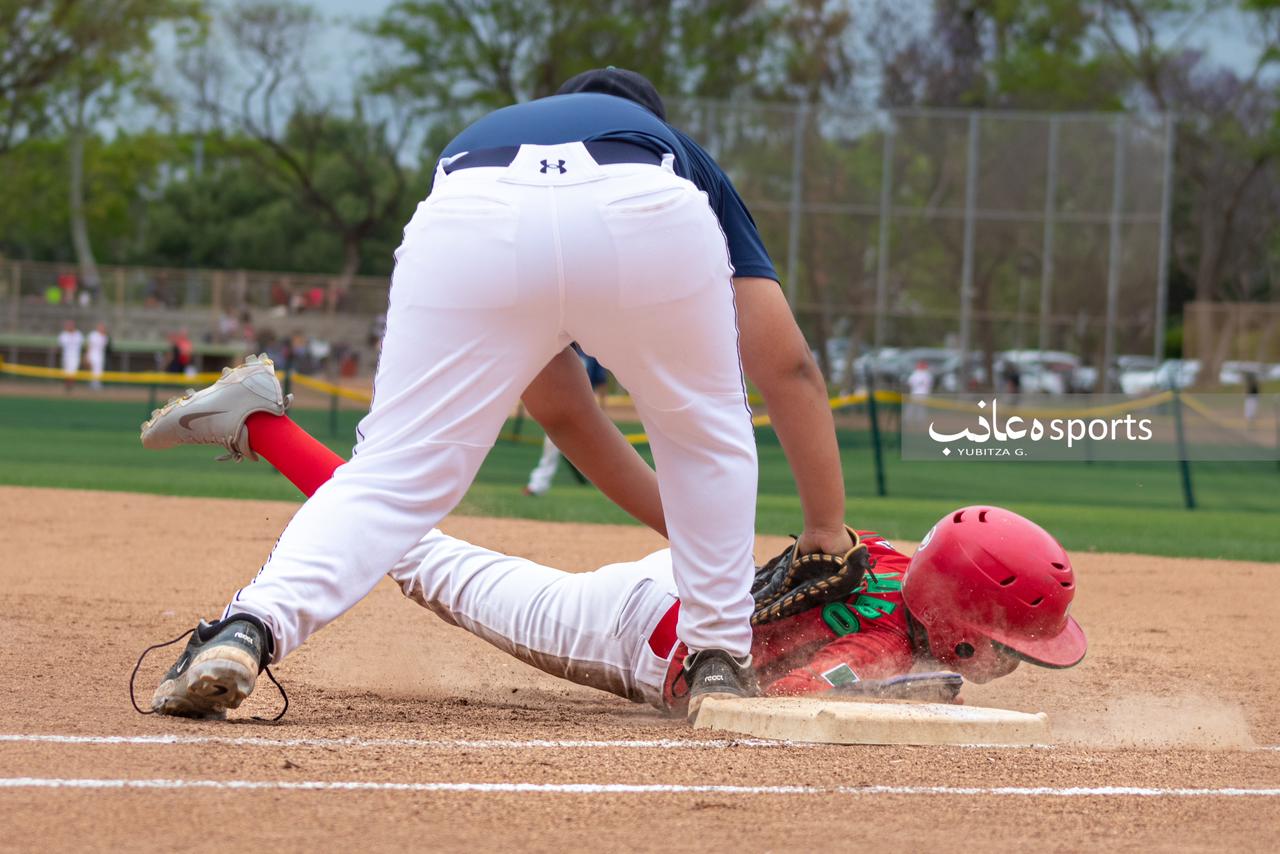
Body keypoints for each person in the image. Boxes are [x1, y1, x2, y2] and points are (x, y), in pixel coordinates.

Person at [141, 69, 822, 717]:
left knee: (392, 476)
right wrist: (819, 531)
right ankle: (717, 662)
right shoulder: (674, 151)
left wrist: (721, 553)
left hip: (472, 204)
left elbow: (561, 409)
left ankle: (247, 628)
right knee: (704, 437)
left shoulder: (501, 129)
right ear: (651, 122)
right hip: (642, 205)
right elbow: (786, 366)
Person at [139, 378, 1086, 717]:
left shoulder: (903, 562)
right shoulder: (881, 652)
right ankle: (261, 424)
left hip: (693, 585)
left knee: (420, 545)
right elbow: (768, 710)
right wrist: (925, 699)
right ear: (960, 634)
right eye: (1010, 644)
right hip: (632, 627)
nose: (1015, 660)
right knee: (419, 555)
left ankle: (258, 424)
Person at [524, 344, 609, 497]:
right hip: (565, 412)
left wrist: (602, 410)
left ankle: (611, 491)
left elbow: (602, 383)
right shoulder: (561, 348)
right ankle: (537, 485)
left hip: (589, 411)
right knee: (551, 447)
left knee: (600, 451)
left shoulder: (591, 352)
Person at [56, 320, 83, 392]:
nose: (69, 327)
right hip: (66, 356)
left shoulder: (78, 334)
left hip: (75, 357)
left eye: (71, 325)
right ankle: (67, 386)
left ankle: (71, 386)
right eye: (68, 325)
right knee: (66, 372)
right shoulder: (63, 335)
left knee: (73, 372)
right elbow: (59, 346)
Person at [904, 360, 932, 424]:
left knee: (921, 409)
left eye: (921, 365)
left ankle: (920, 421)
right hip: (914, 393)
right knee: (911, 407)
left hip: (923, 394)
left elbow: (928, 384)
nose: (920, 366)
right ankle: (907, 420)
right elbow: (910, 382)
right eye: (919, 365)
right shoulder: (915, 373)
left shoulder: (927, 374)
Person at [85, 322, 109, 390]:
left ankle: (97, 384)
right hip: (92, 354)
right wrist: (87, 356)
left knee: (99, 370)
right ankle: (92, 384)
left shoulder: (105, 336)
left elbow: (104, 346)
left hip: (100, 355)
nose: (102, 329)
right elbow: (89, 346)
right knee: (92, 370)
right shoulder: (93, 335)